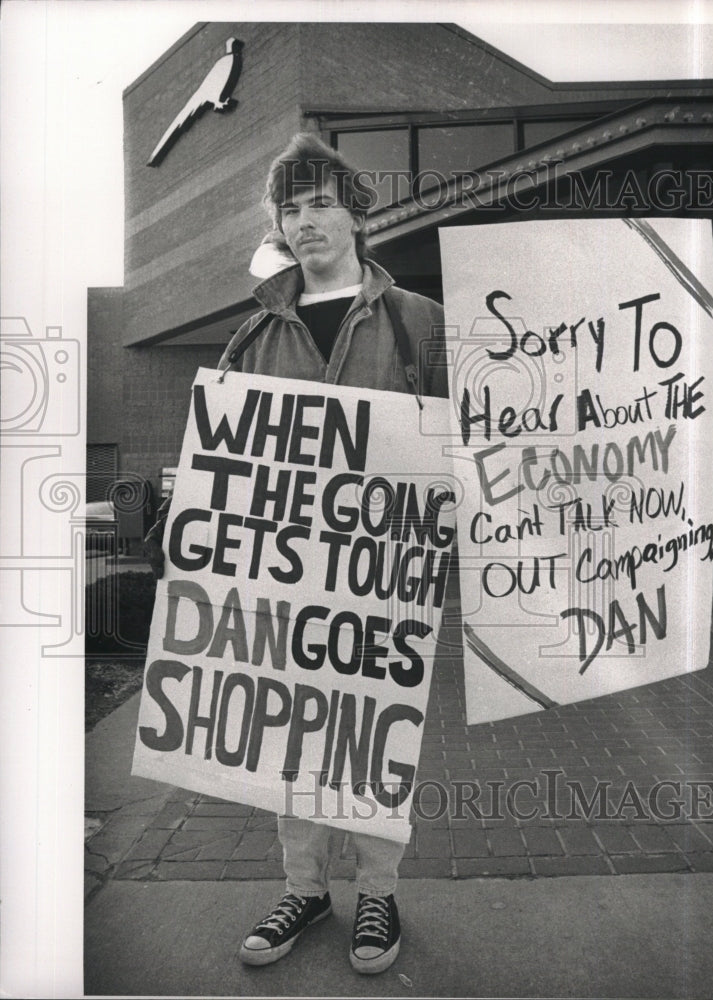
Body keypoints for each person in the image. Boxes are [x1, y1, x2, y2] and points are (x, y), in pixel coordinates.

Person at [143, 132, 448, 974]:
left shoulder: (419, 322)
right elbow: (221, 456)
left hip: (381, 574)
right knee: (293, 729)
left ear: (355, 216)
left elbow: (460, 445)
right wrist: (184, 526)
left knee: (373, 732)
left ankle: (377, 892)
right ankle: (304, 889)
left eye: (320, 204)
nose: (305, 221)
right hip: (281, 575)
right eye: (290, 209)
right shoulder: (251, 336)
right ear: (278, 226)